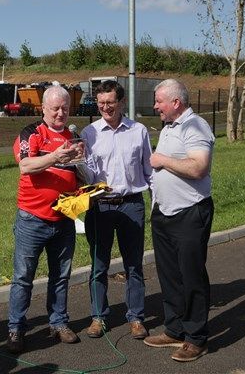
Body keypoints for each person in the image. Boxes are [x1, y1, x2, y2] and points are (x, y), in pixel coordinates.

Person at [7, 86, 83, 353]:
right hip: (33, 219)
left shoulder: (73, 136)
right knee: (23, 277)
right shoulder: (32, 133)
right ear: (43, 109)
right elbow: (25, 166)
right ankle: (16, 328)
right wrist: (54, 157)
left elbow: (78, 174)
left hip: (63, 219)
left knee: (61, 276)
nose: (60, 113)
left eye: (65, 108)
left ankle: (58, 322)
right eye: (55, 108)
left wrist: (86, 187)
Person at [144, 79, 215, 362]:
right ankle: (175, 329)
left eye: (159, 101)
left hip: (189, 212)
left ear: (176, 102)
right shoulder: (169, 127)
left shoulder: (195, 126)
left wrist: (162, 160)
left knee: (191, 276)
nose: (155, 106)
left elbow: (199, 167)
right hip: (164, 212)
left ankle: (196, 338)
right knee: (170, 275)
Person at [79, 80, 152, 339]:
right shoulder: (89, 133)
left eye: (110, 102)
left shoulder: (139, 131)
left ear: (121, 102)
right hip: (100, 207)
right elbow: (86, 175)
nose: (105, 107)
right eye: (101, 103)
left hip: (132, 204)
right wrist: (77, 163)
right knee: (99, 265)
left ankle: (136, 317)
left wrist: (157, 202)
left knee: (134, 265)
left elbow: (149, 170)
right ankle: (98, 317)